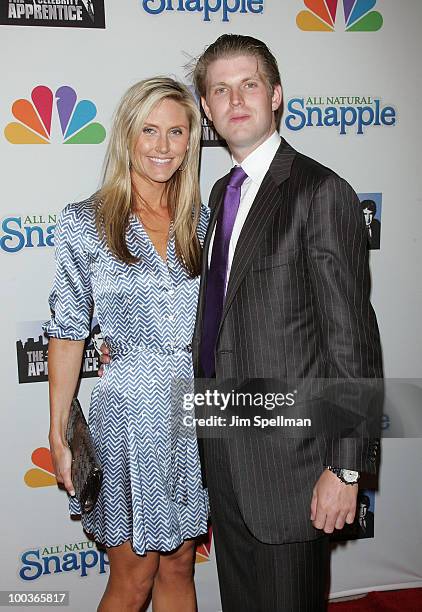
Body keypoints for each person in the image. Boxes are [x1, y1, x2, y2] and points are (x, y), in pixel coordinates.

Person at [190, 35, 383, 611]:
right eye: (219, 89)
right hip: (223, 455)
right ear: (206, 108)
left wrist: (346, 468)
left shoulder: (320, 191)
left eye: (249, 84)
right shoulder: (222, 193)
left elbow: (352, 344)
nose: (235, 99)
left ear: (276, 96)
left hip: (292, 466)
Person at [44, 77, 209, 612]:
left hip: (194, 412)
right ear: (127, 136)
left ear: (191, 141)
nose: (162, 146)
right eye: (149, 131)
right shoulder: (85, 222)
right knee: (133, 578)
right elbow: (68, 333)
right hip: (129, 416)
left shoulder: (205, 223)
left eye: (176, 132)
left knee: (181, 565)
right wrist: (59, 430)